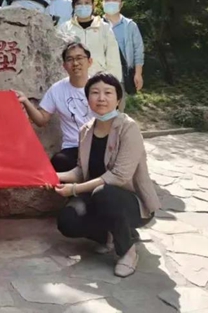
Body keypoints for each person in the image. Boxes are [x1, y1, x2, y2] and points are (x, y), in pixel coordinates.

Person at [53, 72, 160, 278]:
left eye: (108, 93)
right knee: (67, 221)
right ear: (88, 99)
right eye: (95, 92)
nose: (101, 98)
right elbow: (81, 170)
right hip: (99, 197)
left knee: (105, 194)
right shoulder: (85, 130)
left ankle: (127, 251)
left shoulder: (129, 128)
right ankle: (110, 235)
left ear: (118, 99)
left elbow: (119, 176)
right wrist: (55, 176)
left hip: (130, 202)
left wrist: (74, 189)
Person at [15, 42, 92, 172]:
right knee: (59, 162)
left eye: (79, 58)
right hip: (73, 147)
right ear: (64, 66)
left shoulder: (99, 87)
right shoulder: (57, 89)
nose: (75, 63)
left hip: (97, 145)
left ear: (89, 61)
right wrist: (25, 102)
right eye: (70, 59)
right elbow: (41, 119)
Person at [58, 0, 122, 81]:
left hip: (99, 79)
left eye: (87, 3)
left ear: (93, 5)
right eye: (79, 3)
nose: (83, 6)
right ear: (74, 6)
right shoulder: (64, 28)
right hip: (72, 79)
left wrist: (114, 81)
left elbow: (113, 57)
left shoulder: (104, 27)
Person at [102, 0, 144, 102]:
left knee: (119, 107)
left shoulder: (130, 26)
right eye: (107, 0)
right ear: (102, 4)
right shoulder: (96, 25)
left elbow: (138, 51)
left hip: (122, 76)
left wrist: (138, 74)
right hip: (101, 75)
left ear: (121, 4)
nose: (111, 2)